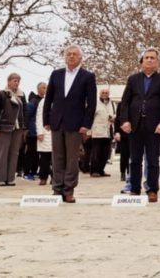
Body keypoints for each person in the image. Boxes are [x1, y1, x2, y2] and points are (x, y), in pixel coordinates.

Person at [43, 45, 98, 204]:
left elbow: (91, 103)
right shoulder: (56, 74)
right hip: (56, 122)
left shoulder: (87, 76)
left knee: (72, 159)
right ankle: (57, 188)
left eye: (75, 54)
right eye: (69, 54)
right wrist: (46, 119)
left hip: (76, 123)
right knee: (57, 157)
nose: (71, 57)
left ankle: (69, 190)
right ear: (65, 57)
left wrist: (86, 124)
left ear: (80, 58)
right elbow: (49, 99)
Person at [116, 48, 160, 202]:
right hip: (135, 125)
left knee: (153, 160)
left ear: (157, 61)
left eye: (152, 58)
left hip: (154, 126)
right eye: (146, 57)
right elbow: (125, 102)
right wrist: (124, 120)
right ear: (142, 61)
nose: (149, 60)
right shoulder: (133, 79)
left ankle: (152, 189)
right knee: (134, 160)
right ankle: (134, 188)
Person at [0, 73, 28, 187]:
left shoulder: (21, 95)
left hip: (18, 128)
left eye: (18, 81)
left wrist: (24, 128)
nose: (16, 83)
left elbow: (25, 112)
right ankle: (0, 178)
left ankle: (10, 178)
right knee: (2, 152)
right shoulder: (1, 94)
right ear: (8, 81)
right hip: (4, 127)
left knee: (14, 152)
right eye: (14, 80)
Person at [88, 87, 116, 178]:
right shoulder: (95, 103)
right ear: (100, 94)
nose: (104, 94)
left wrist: (113, 118)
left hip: (108, 131)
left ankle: (101, 170)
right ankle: (94, 171)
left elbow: (115, 114)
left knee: (105, 152)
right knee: (96, 152)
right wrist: (88, 130)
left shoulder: (112, 103)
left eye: (106, 92)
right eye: (103, 92)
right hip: (97, 131)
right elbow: (90, 116)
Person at [33, 83, 52, 185]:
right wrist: (39, 132)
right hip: (45, 133)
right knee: (45, 157)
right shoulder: (43, 102)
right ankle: (43, 177)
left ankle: (55, 177)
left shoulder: (59, 101)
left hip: (56, 133)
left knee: (56, 158)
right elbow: (39, 118)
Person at [23, 88, 40, 180]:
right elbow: (27, 116)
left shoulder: (44, 101)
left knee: (37, 153)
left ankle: (34, 171)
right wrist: (26, 129)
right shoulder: (33, 102)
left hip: (40, 132)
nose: (45, 89)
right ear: (38, 89)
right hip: (32, 132)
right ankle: (26, 172)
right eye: (43, 87)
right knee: (30, 152)